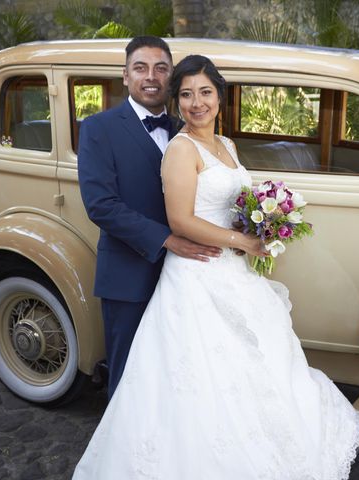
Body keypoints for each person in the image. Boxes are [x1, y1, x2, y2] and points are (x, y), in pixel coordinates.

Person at [73, 55, 359, 479]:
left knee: (247, 368)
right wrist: (241, 240)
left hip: (230, 271)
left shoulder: (225, 145)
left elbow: (228, 200)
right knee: (171, 379)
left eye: (205, 92)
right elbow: (174, 219)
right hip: (190, 271)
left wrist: (263, 221)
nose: (196, 102)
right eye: (187, 94)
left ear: (220, 97)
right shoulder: (176, 146)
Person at [78, 36, 221, 399]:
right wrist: (167, 239)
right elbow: (101, 205)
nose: (151, 77)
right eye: (141, 68)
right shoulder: (99, 128)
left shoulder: (188, 127)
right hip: (129, 273)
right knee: (129, 372)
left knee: (181, 370)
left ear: (171, 77)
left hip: (188, 279)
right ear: (125, 76)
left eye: (161, 68)